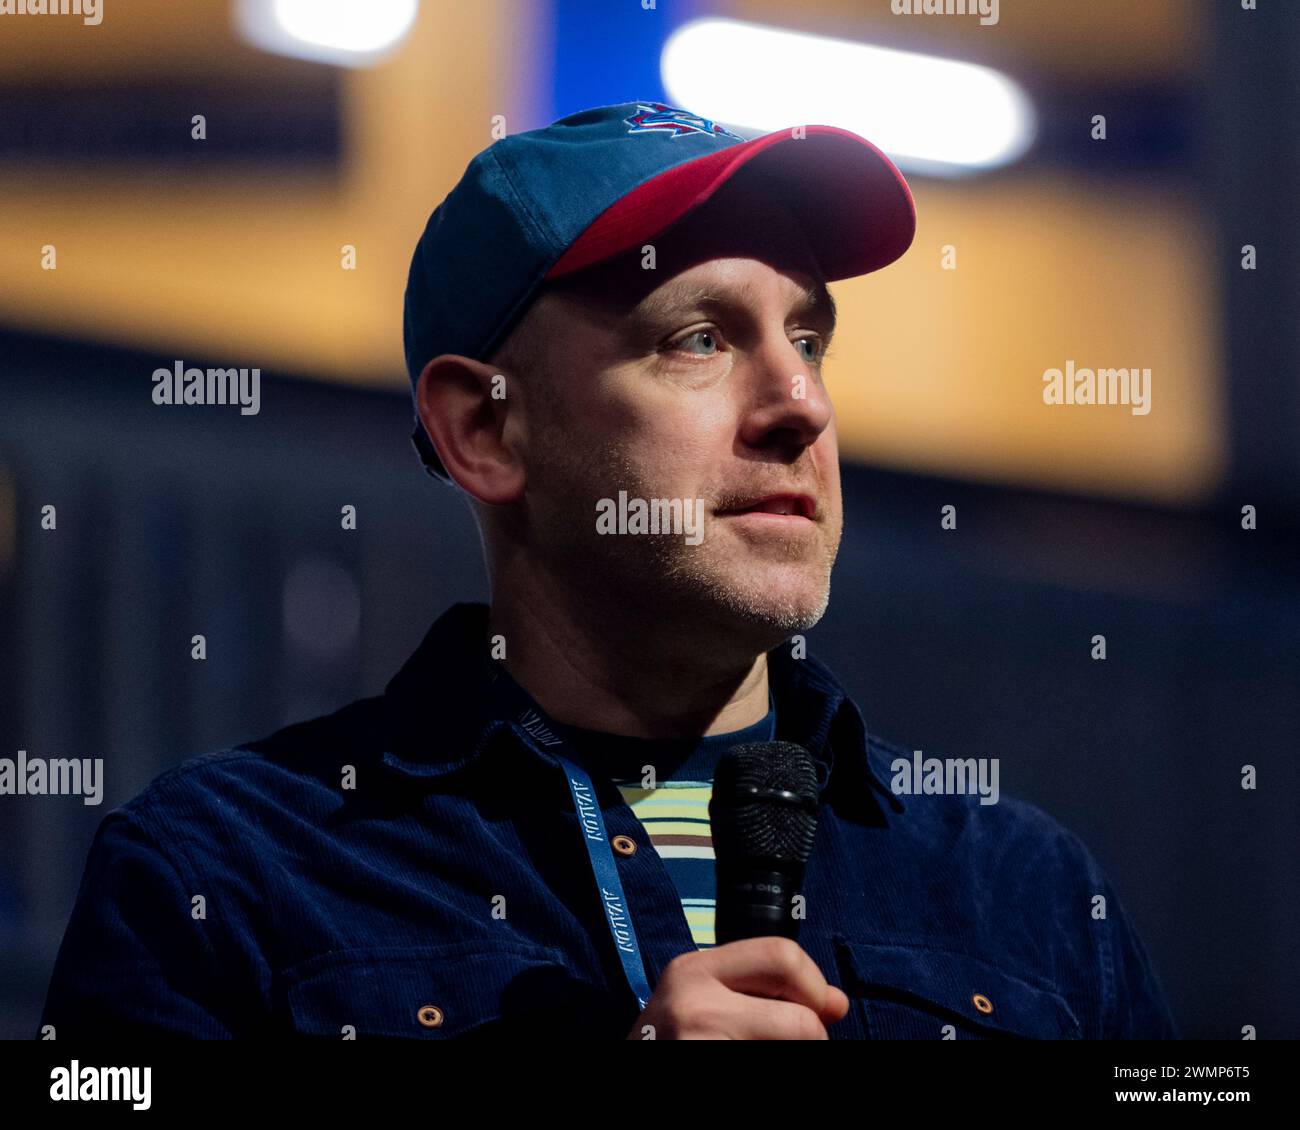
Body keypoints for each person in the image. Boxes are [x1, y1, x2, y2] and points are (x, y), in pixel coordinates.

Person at [39, 101, 1177, 1040]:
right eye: (700, 339)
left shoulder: (1026, 891)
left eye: (810, 338)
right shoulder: (227, 877)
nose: (802, 404)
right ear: (485, 432)